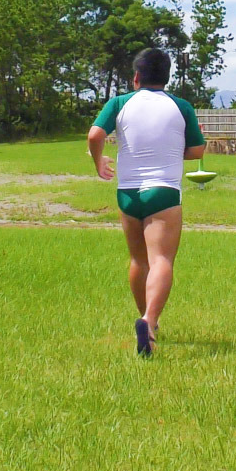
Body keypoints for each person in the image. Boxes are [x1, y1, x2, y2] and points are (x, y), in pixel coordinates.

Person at [88, 47, 206, 357]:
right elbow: (197, 151)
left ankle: (147, 320)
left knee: (138, 261)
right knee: (162, 260)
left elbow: (94, 134)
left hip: (128, 193)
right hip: (164, 193)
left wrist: (99, 163)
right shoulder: (181, 107)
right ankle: (149, 321)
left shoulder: (120, 103)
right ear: (167, 77)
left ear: (136, 77)